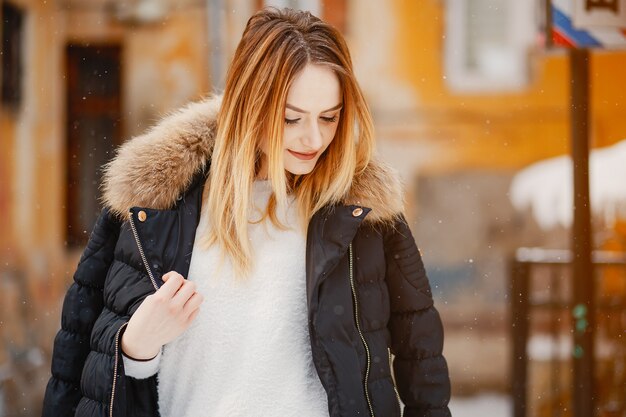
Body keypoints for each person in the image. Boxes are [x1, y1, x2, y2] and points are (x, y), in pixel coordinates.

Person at [42, 7, 450, 417]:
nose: (313, 137)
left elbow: (422, 360)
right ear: (250, 107)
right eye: (291, 119)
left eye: (329, 117)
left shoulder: (364, 213)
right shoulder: (157, 202)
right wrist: (135, 346)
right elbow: (76, 362)